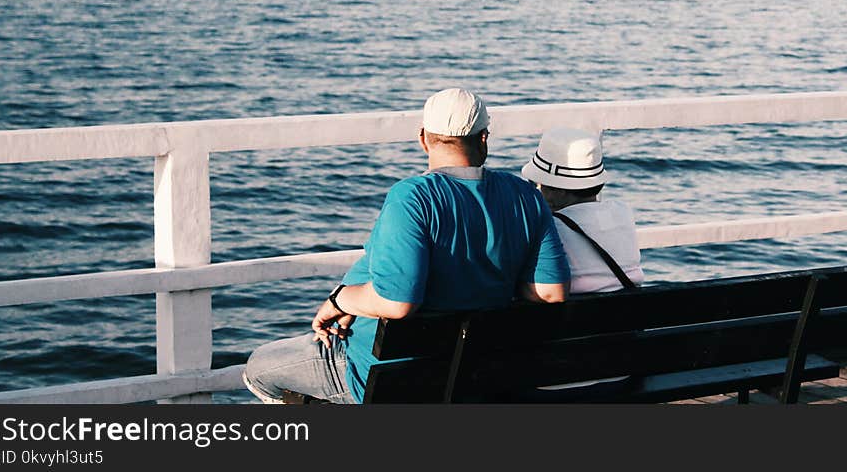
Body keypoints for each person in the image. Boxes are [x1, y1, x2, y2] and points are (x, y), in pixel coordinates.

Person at [244, 88, 571, 403]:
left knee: (258, 367)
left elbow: (397, 303)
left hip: (389, 376)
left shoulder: (413, 197)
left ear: (423, 139)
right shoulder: (525, 195)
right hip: (479, 372)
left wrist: (339, 299)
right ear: (484, 137)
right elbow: (550, 292)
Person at [521, 126, 644, 294]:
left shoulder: (552, 228)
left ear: (557, 191)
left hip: (577, 317)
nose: (537, 190)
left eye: (536, 183)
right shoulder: (623, 212)